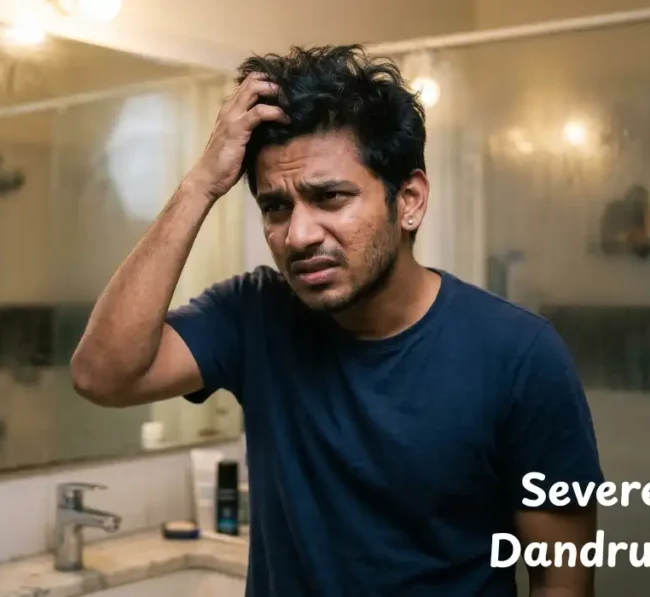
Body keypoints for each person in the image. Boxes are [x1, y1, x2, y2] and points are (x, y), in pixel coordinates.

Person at [70, 45, 604, 596]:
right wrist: (201, 183)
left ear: (410, 201)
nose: (298, 235)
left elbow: (561, 582)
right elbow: (103, 374)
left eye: (330, 198)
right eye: (276, 207)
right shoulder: (252, 315)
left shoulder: (519, 355)